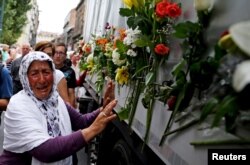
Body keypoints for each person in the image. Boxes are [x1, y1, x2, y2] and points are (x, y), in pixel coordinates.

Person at [0, 51, 117, 164]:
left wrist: (103, 109)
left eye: (46, 72)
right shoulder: (18, 105)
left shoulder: (55, 99)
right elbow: (45, 150)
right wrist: (93, 130)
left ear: (53, 74)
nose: (42, 79)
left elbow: (81, 121)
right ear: (25, 78)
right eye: (34, 74)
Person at [53, 43, 77, 108]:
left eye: (61, 53)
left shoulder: (70, 72)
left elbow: (71, 93)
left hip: (63, 106)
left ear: (65, 56)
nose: (58, 56)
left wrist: (71, 112)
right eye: (56, 52)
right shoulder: (47, 69)